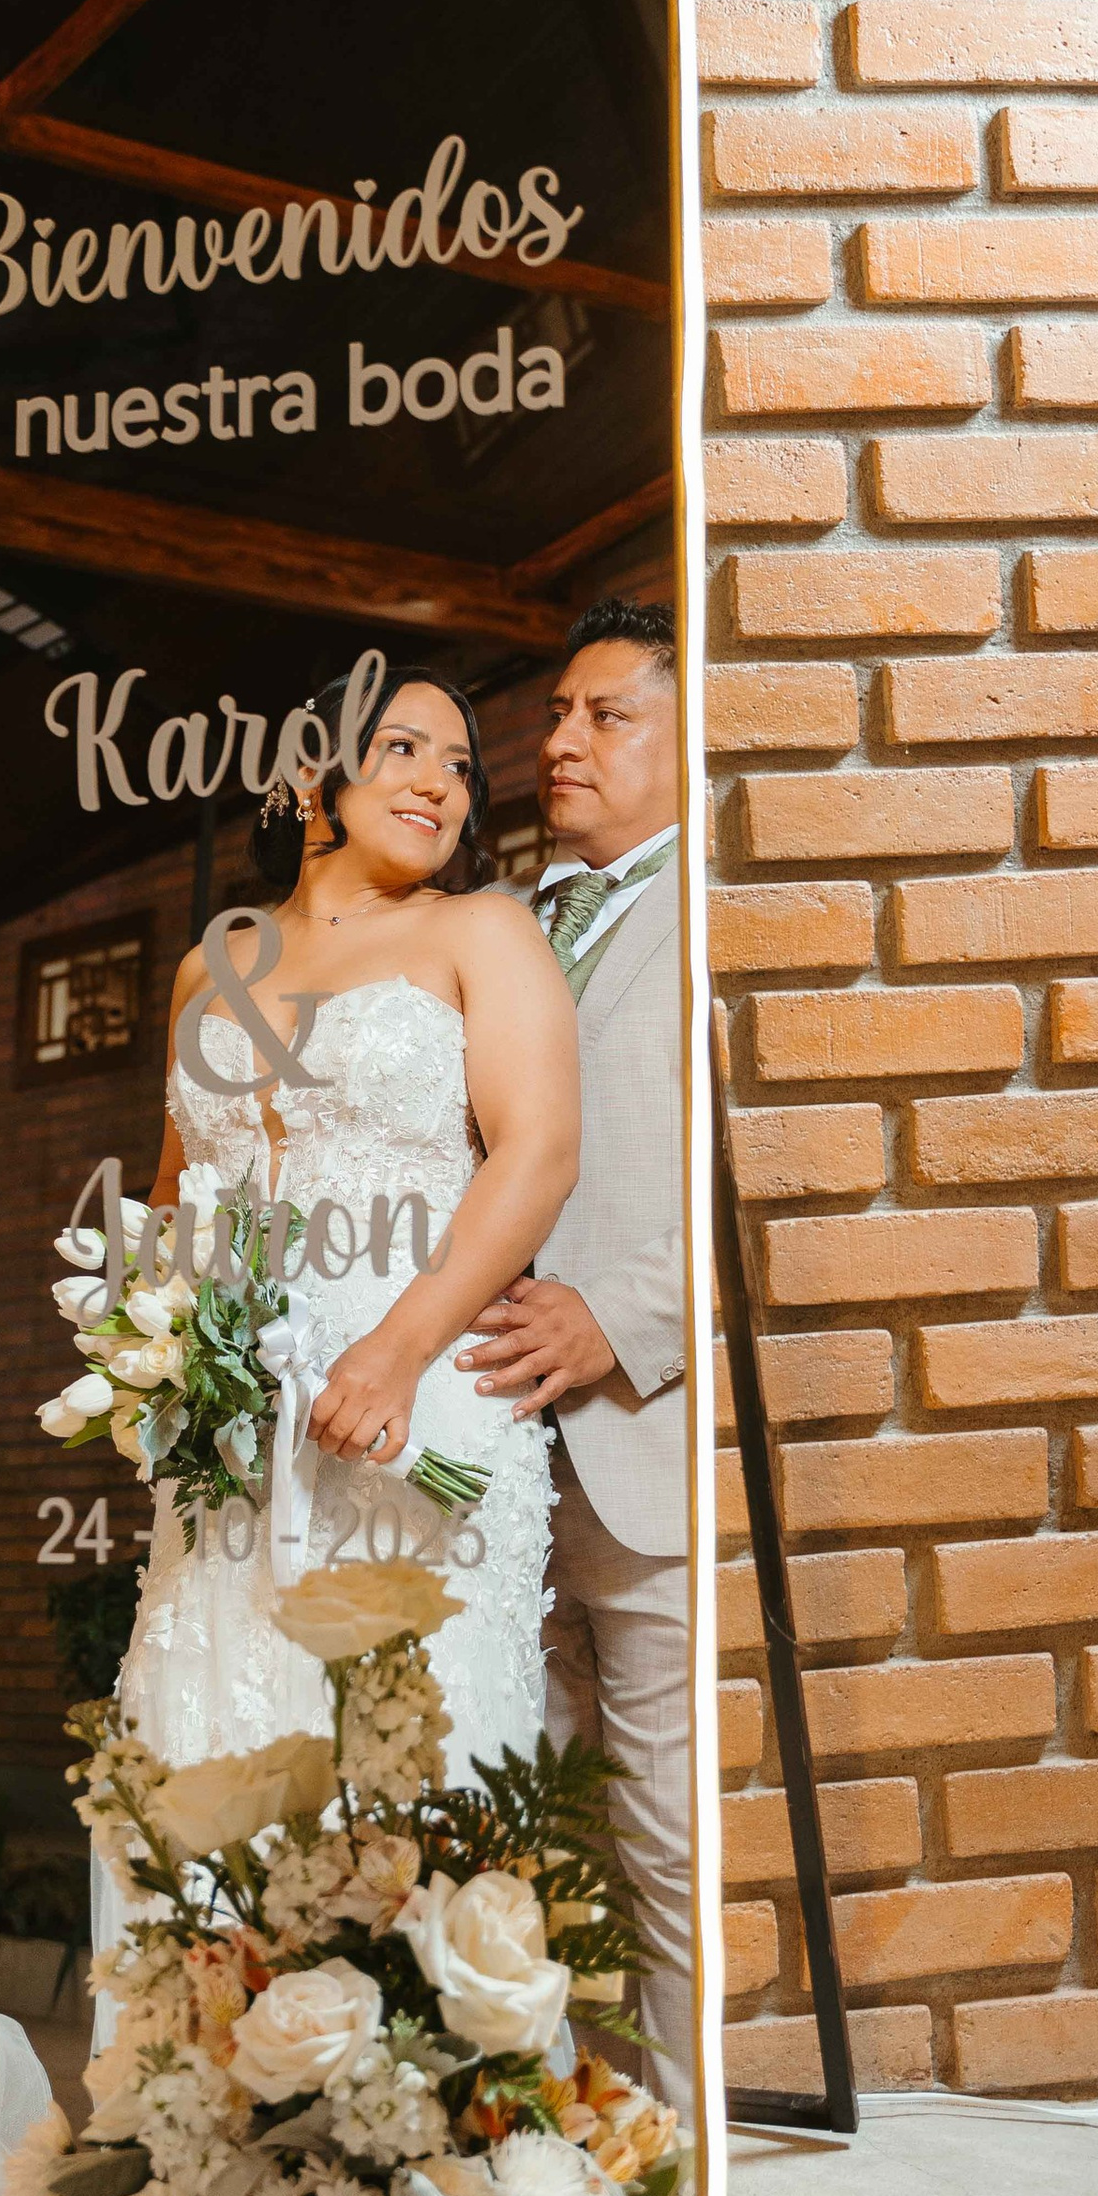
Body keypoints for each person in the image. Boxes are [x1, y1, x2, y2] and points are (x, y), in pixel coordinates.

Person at [117, 664, 580, 1785]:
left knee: (408, 1743)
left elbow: (538, 1154)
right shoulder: (205, 968)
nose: (441, 784)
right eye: (404, 749)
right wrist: (160, 1353)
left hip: (416, 1401)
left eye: (461, 765)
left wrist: (395, 1352)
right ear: (310, 776)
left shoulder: (480, 932)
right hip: (237, 1437)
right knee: (220, 1740)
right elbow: (178, 1193)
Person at [461, 597, 690, 2093]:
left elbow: (774, 1160)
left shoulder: (723, 909)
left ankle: (683, 2152)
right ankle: (528, 2149)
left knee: (662, 1828)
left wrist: (623, 1320)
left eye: (606, 715)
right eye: (556, 714)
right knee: (499, 1816)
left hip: (636, 1436)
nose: (561, 741)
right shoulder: (511, 920)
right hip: (482, 1439)